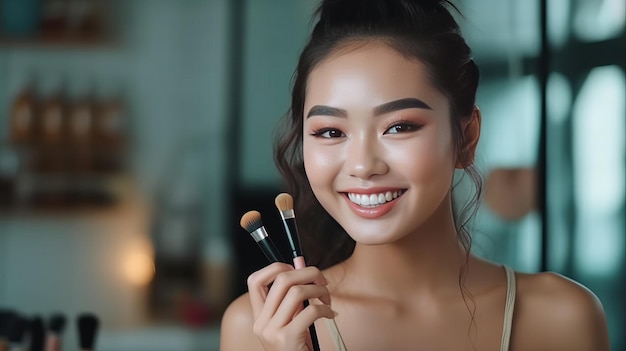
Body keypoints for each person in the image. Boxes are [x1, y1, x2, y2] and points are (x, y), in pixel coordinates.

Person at [220, 0, 610, 350]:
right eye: (331, 132)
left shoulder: (561, 318)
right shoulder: (258, 327)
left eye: (399, 127)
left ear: (466, 138)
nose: (362, 165)